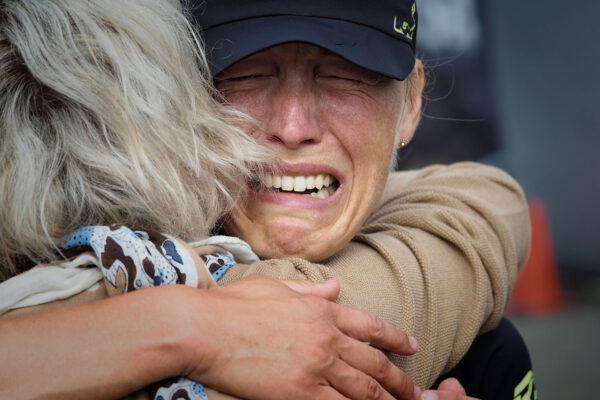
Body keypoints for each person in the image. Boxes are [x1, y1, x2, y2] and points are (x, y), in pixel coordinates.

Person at [0, 0, 532, 399]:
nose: (293, 126)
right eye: (246, 72)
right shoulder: (45, 251)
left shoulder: (477, 352)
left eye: (346, 75)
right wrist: (195, 328)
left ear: (412, 103)